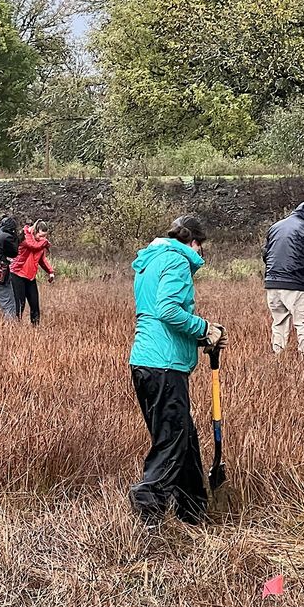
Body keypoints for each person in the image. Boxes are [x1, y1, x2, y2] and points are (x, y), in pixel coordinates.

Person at [128, 215, 226, 527]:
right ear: (194, 243)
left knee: (184, 439)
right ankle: (148, 499)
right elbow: (167, 309)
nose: (201, 254)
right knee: (173, 439)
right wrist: (204, 327)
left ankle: (193, 514)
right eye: (201, 247)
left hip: (146, 362)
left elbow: (157, 314)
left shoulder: (151, 260)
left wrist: (200, 338)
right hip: (163, 364)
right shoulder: (177, 260)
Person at [262, 200, 304, 356]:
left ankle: (278, 356)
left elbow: (265, 254)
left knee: (279, 323)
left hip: (272, 284)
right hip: (296, 283)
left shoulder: (275, 227)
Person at [10, 220, 55, 325]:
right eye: (41, 235)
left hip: (30, 276)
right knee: (20, 303)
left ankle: (35, 327)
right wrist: (45, 243)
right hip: (18, 273)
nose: (42, 238)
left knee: (34, 303)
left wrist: (50, 272)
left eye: (44, 236)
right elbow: (33, 245)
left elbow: (42, 259)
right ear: (35, 231)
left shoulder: (40, 243)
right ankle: (16, 325)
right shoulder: (25, 237)